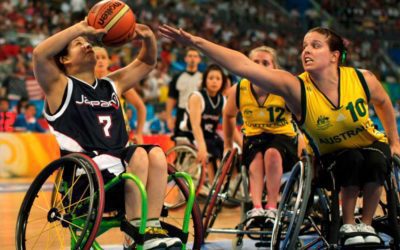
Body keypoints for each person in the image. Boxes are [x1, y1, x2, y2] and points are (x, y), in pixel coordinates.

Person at [159, 25, 400, 246]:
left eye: (315, 45)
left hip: (368, 142)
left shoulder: (362, 78)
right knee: (352, 160)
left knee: (377, 159)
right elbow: (242, 65)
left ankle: (366, 224)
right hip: (331, 156)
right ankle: (348, 224)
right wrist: (195, 41)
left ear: (335, 56)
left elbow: (383, 103)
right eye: (304, 46)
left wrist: (394, 139)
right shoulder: (295, 87)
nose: (306, 50)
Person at [33, 19, 182, 249]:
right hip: (87, 182)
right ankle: (134, 236)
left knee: (157, 155)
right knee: (140, 156)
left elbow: (146, 61)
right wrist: (81, 28)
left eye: (87, 42)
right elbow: (40, 55)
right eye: (78, 44)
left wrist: (149, 38)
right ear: (65, 59)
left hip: (122, 173)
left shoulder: (111, 84)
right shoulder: (59, 86)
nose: (87, 45)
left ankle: (151, 227)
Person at [223, 46, 299, 227]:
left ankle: (272, 206)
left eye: (265, 62)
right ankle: (256, 207)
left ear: (275, 68)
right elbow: (228, 115)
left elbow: (302, 117)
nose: (259, 66)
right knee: (256, 159)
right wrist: (228, 143)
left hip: (282, 137)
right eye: (255, 62)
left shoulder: (283, 88)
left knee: (272, 154)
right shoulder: (238, 89)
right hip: (254, 136)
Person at [180, 64, 228, 184]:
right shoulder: (197, 97)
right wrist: (201, 146)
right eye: (211, 78)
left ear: (223, 82)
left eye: (218, 78)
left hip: (210, 135)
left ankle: (222, 186)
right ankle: (213, 185)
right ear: (205, 80)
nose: (214, 81)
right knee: (211, 151)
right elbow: (195, 125)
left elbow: (229, 125)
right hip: (190, 133)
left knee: (228, 152)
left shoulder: (223, 100)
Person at [93, 46, 146, 144]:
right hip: (95, 136)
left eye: (103, 57)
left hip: (119, 135)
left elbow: (140, 106)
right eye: (96, 57)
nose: (100, 61)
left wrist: (139, 133)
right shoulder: (84, 83)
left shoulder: (118, 81)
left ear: (109, 61)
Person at [166, 48, 202, 141]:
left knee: (198, 141)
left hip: (199, 113)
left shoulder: (203, 77)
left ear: (199, 59)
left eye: (195, 56)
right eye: (190, 56)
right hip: (181, 113)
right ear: (185, 59)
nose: (192, 59)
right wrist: (169, 117)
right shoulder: (177, 77)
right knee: (180, 141)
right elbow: (171, 98)